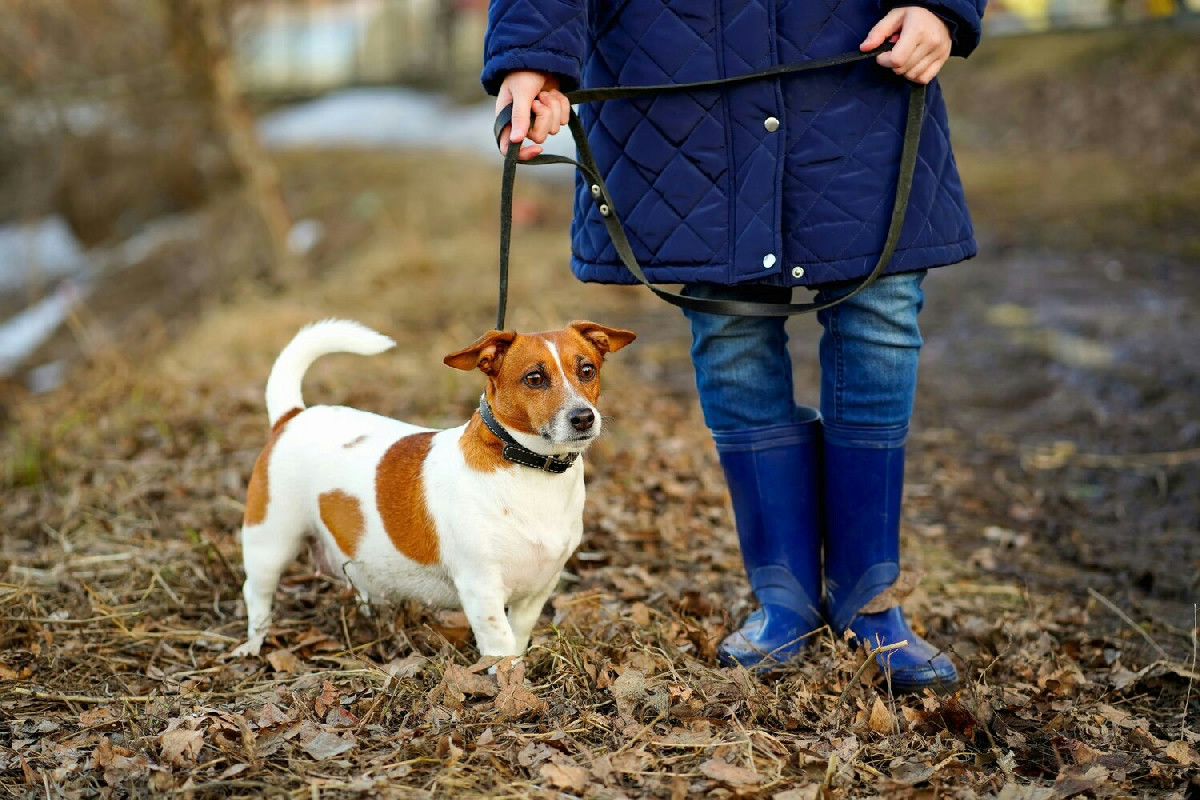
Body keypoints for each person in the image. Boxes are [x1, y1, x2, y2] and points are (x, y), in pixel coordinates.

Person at [482, 0, 986, 691]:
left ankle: (868, 599)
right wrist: (532, 52)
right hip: (678, 77)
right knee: (730, 325)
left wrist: (944, 5)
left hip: (858, 69)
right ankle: (784, 598)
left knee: (882, 311)